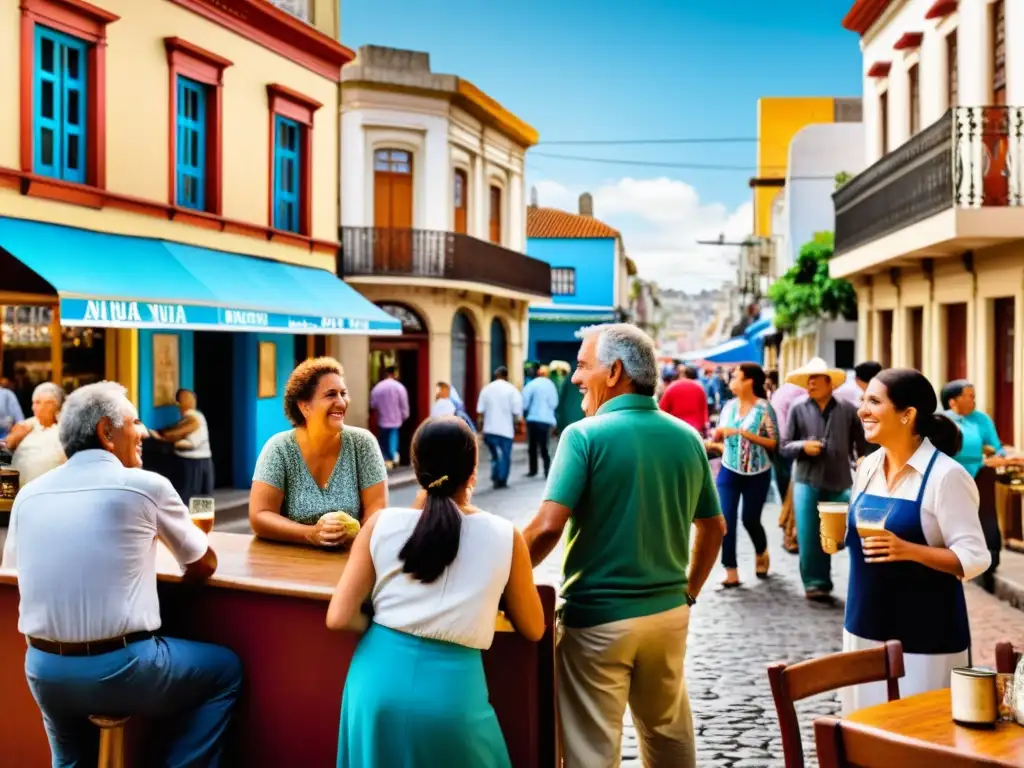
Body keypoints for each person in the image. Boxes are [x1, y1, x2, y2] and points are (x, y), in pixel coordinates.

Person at [1, 381, 241, 765]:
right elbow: (204, 563)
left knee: (70, 758)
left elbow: (16, 573)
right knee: (225, 672)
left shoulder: (29, 495)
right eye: (135, 422)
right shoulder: (145, 486)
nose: (144, 431)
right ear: (105, 433)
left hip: (44, 671)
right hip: (122, 670)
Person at [523, 323, 725, 768]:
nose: (575, 378)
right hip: (668, 616)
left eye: (582, 366)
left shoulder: (584, 435)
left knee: (590, 748)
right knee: (668, 733)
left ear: (613, 372)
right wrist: (687, 592)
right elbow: (713, 528)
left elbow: (545, 529)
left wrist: (498, 571)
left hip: (597, 622)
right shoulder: (687, 437)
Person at [327, 416, 544, 767]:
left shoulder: (380, 525)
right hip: (453, 696)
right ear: (473, 472)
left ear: (416, 470)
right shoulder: (505, 536)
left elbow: (338, 617)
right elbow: (534, 627)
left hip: (375, 684)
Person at [841, 369, 990, 714]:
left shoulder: (947, 476)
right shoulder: (867, 467)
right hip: (862, 627)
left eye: (874, 402)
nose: (862, 410)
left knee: (921, 742)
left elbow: (975, 557)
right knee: (864, 737)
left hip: (926, 638)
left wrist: (909, 551)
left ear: (907, 415)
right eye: (863, 401)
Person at [250, 358, 388, 548]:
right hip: (290, 563)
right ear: (304, 406)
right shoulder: (279, 448)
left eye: (343, 393)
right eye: (331, 394)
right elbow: (260, 516)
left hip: (352, 559)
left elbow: (377, 508)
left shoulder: (362, 443)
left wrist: (357, 541)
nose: (341, 402)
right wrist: (311, 534)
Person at [782, 357, 867, 601]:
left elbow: (860, 446)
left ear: (829, 382)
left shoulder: (849, 410)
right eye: (808, 381)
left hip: (840, 480)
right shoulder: (798, 408)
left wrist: (862, 462)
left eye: (815, 380)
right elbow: (785, 445)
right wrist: (803, 446)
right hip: (807, 480)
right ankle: (815, 583)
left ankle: (860, 582)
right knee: (809, 535)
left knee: (839, 535)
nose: (810, 385)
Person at [941, 379, 1021, 592]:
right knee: (954, 518)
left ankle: (990, 560)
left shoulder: (981, 420)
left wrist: (999, 456)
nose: (973, 400)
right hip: (949, 476)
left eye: (974, 396)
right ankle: (952, 560)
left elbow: (997, 448)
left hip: (980, 473)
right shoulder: (942, 421)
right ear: (953, 401)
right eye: (969, 396)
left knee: (986, 516)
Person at [712, 363, 778, 586]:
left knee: (750, 519)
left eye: (736, 376)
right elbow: (719, 434)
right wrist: (718, 434)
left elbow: (774, 443)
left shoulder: (764, 408)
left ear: (749, 380)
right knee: (726, 520)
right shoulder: (728, 407)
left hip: (757, 473)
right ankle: (731, 571)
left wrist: (744, 433)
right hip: (729, 469)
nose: (731, 380)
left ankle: (761, 550)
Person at [150, 388, 214, 503]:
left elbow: (181, 434)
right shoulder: (192, 418)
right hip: (197, 462)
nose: (191, 401)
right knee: (198, 499)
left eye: (191, 398)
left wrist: (163, 437)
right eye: (187, 399)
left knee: (193, 499)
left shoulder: (194, 418)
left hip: (194, 463)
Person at [6, 382, 66, 487]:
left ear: (53, 404)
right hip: (20, 489)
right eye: (33, 403)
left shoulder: (65, 428)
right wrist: (15, 436)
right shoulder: (29, 425)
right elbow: (8, 444)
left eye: (38, 403)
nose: (33, 408)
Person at [476, 367, 523, 489]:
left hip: (490, 429)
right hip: (505, 430)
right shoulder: (512, 390)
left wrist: (480, 428)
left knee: (495, 455)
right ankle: (502, 479)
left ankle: (496, 476)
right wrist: (518, 424)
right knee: (505, 456)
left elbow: (480, 411)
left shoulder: (486, 389)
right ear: (506, 376)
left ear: (496, 375)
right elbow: (516, 411)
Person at [369, 366, 410, 470]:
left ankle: (386, 461)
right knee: (393, 441)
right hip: (395, 420)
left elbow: (372, 405)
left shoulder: (377, 388)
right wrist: (405, 416)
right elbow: (404, 405)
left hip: (382, 420)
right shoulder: (399, 387)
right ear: (394, 374)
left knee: (383, 442)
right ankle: (394, 459)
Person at [522, 365, 559, 478]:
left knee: (532, 446)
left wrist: (526, 411)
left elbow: (524, 400)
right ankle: (547, 471)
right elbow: (554, 403)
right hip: (546, 420)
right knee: (544, 446)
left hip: (533, 419)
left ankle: (533, 470)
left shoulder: (532, 384)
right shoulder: (551, 385)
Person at [659, 365, 710, 434]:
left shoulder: (672, 387)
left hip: (675, 430)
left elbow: (661, 411)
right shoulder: (700, 387)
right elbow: (704, 411)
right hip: (696, 430)